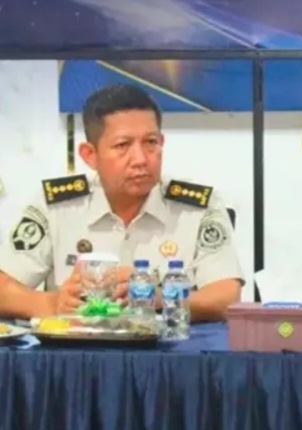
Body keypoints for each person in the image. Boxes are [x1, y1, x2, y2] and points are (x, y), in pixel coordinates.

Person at [0, 84, 243, 320]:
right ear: (90, 155)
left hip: (168, 346)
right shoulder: (56, 206)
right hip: (78, 345)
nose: (140, 159)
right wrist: (51, 304)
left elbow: (226, 298)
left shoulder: (198, 207)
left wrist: (163, 298)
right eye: (122, 145)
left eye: (151, 142)